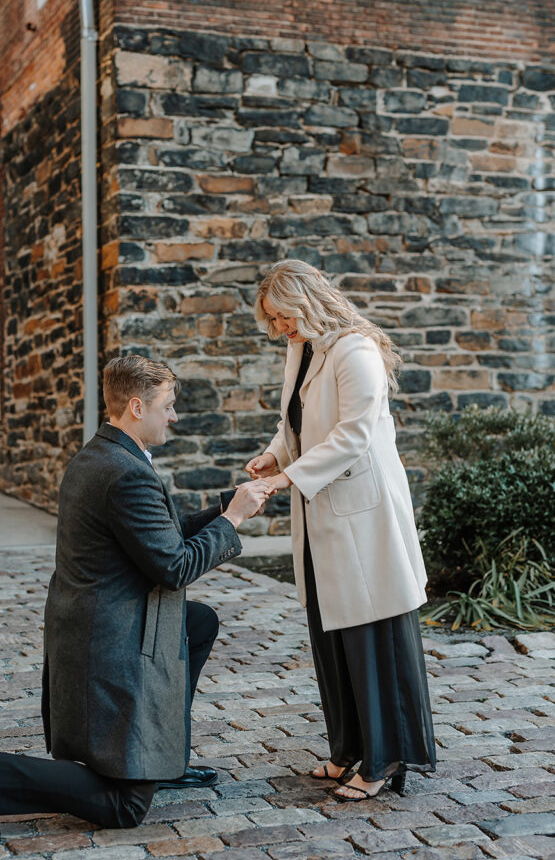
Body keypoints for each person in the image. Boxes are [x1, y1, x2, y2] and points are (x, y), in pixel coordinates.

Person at [0, 355, 271, 845]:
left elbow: (160, 534)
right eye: (168, 407)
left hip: (88, 625)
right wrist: (233, 522)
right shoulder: (127, 472)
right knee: (125, 806)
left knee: (197, 624)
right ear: (137, 406)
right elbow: (174, 568)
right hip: (109, 643)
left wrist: (226, 504)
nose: (173, 417)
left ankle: (159, 757)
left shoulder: (102, 454)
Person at [246, 260, 436, 802]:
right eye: (274, 321)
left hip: (363, 516)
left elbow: (352, 434)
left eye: (283, 316)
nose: (280, 328)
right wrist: (271, 455)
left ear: (305, 301)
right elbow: (298, 425)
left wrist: (288, 477)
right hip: (321, 511)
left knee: (369, 637)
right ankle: (347, 750)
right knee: (331, 637)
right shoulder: (301, 348)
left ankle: (383, 759)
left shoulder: (356, 350)